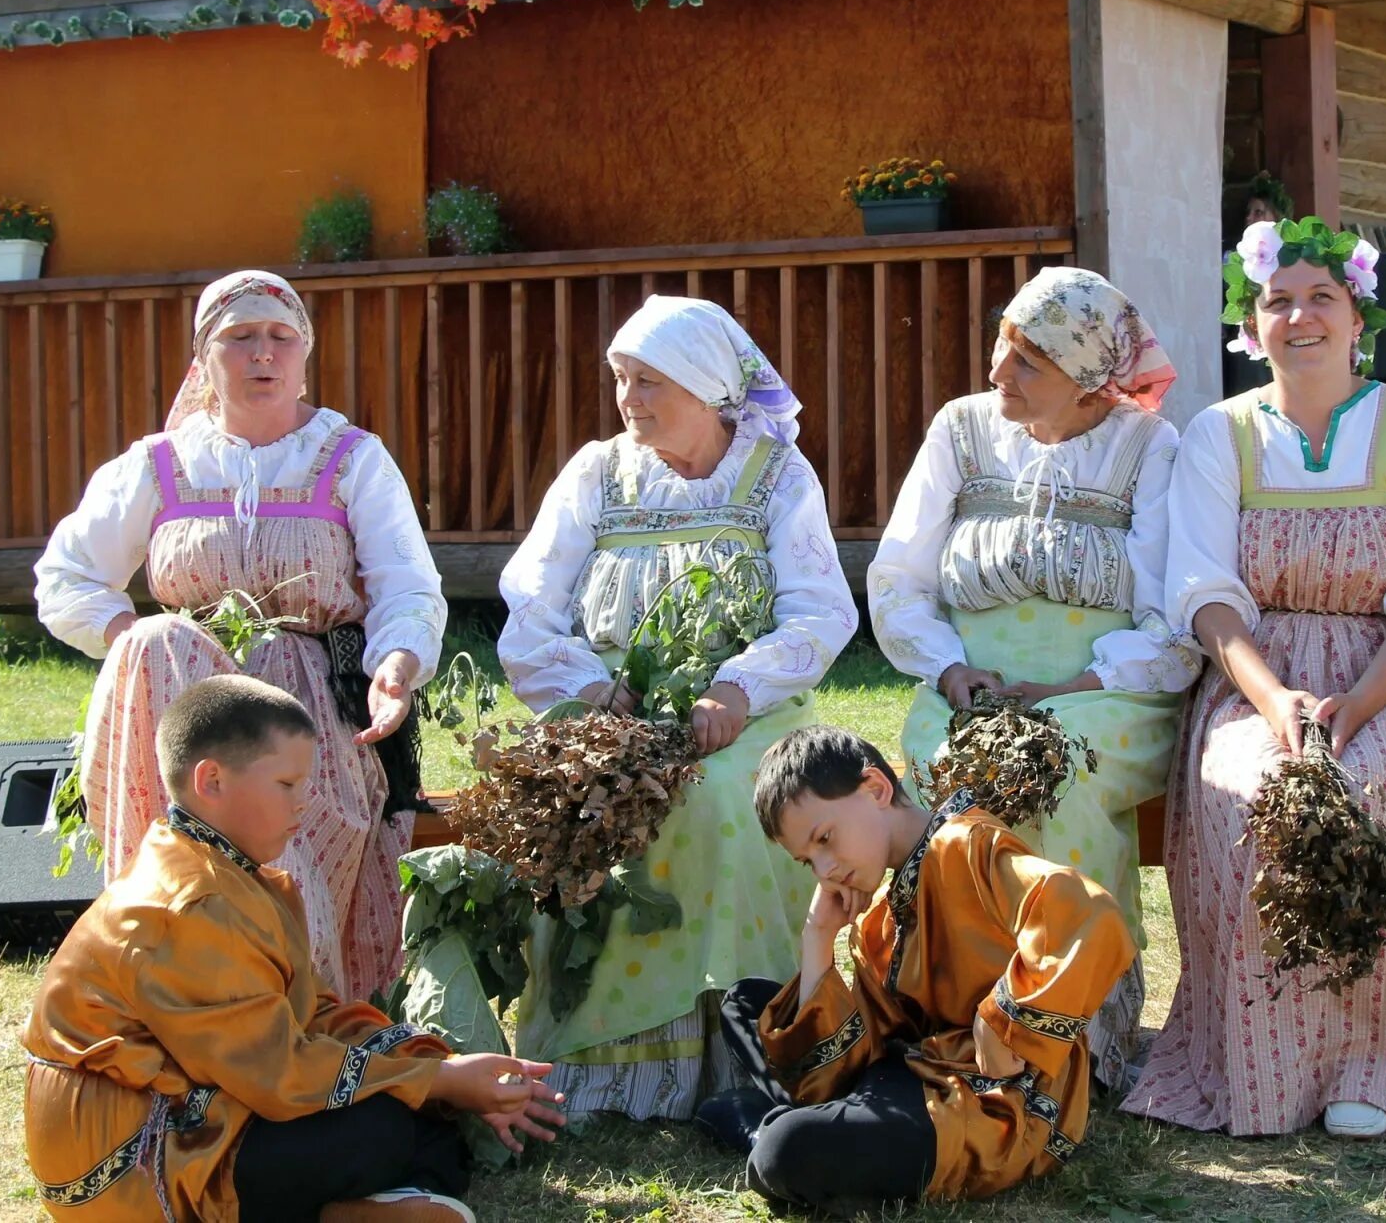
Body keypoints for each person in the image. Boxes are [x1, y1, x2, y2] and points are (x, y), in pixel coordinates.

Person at [1123, 218, 1386, 1140]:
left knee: (1366, 796)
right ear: (1250, 324)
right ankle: (1273, 1063)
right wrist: (1277, 703)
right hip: (1254, 680)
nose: (1299, 316)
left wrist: (1358, 705)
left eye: (1321, 299)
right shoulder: (1221, 434)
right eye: (1277, 302)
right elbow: (1206, 593)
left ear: (1357, 318)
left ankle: (1377, 1060)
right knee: (1252, 793)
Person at [34, 269, 446, 1001]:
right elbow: (66, 577)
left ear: (304, 356)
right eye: (241, 337)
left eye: (280, 338)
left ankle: (299, 1034)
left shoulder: (349, 458)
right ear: (205, 357)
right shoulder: (158, 465)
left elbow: (406, 586)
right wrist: (132, 635)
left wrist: (396, 666)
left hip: (310, 707)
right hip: (181, 706)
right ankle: (160, 986)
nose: (262, 354)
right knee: (157, 643)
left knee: (293, 869)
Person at [496, 295, 858, 1119]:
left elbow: (821, 610)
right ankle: (606, 1058)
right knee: (576, 798)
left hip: (743, 710)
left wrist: (737, 684)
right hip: (604, 701)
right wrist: (591, 687)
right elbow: (531, 607)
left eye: (650, 381)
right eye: (622, 378)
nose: (630, 399)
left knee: (727, 794)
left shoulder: (775, 474)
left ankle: (737, 1045)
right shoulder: (597, 472)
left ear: (703, 388)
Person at [23, 675, 565, 1222]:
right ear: (211, 780)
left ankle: (355, 1210)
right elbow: (278, 1071)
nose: (304, 803)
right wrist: (439, 1081)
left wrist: (439, 1068)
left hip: (214, 1108)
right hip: (132, 1159)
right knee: (381, 1127)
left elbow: (314, 1014)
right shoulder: (189, 902)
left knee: (425, 1118)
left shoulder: (229, 874)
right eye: (287, 784)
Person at [868, 265, 1197, 1084]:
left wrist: (1070, 691)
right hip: (969, 687)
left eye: (1027, 361)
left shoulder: (1149, 447)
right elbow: (899, 578)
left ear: (1089, 384)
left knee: (1062, 765)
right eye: (1001, 346)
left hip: (1108, 694)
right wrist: (949, 669)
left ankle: (1072, 1034)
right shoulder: (960, 429)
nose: (996, 373)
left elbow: (1171, 616)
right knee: (948, 764)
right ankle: (957, 1009)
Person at [694, 726, 1134, 1212]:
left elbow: (1091, 915)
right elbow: (868, 1043)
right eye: (807, 861)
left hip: (991, 1101)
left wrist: (1005, 1022)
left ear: (877, 789)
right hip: (906, 1073)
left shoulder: (968, 845)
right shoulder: (879, 914)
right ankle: (804, 1128)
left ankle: (772, 1133)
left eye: (825, 839)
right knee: (745, 1003)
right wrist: (818, 936)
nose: (824, 870)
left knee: (784, 1149)